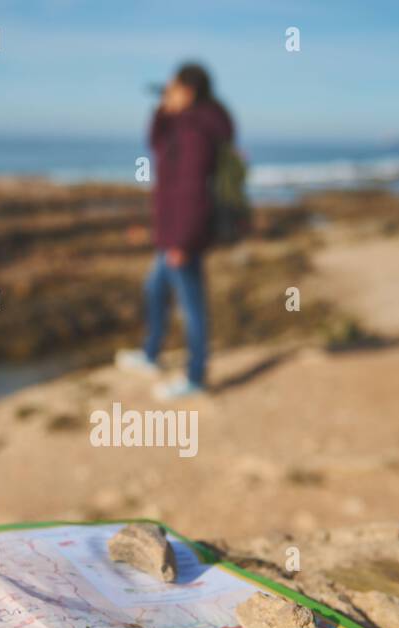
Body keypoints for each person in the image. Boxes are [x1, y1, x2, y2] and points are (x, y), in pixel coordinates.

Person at [116, 63, 234, 399]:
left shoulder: (196, 131)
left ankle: (196, 376)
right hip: (172, 231)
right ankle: (151, 354)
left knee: (192, 305)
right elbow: (155, 143)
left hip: (184, 234)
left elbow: (193, 190)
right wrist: (161, 110)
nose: (167, 95)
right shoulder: (182, 125)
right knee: (154, 288)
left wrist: (183, 241)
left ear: (189, 91)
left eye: (171, 89)